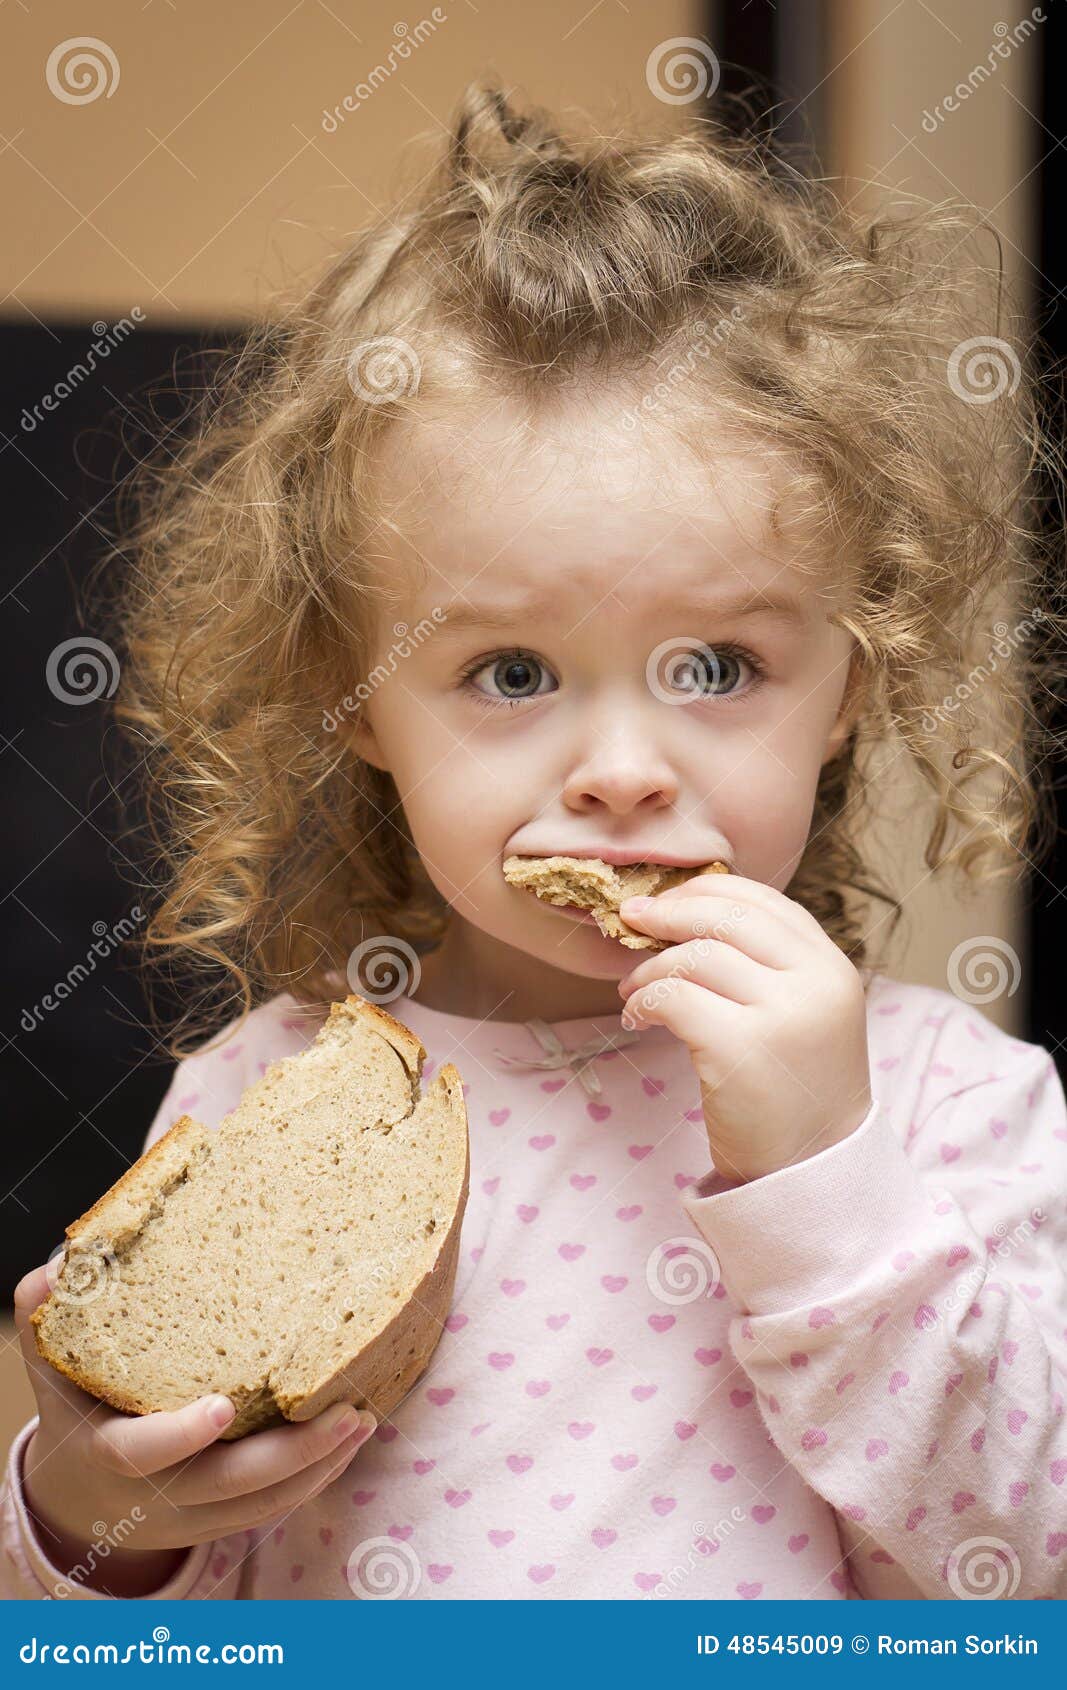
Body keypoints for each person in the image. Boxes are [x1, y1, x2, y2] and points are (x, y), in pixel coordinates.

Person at [5, 80, 1065, 1601]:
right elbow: (127, 1641)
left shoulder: (956, 1109)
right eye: (511, 673)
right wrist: (84, 1514)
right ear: (357, 697)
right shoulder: (256, 1101)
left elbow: (1023, 1570)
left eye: (717, 667)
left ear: (855, 677)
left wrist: (831, 1178)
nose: (625, 772)